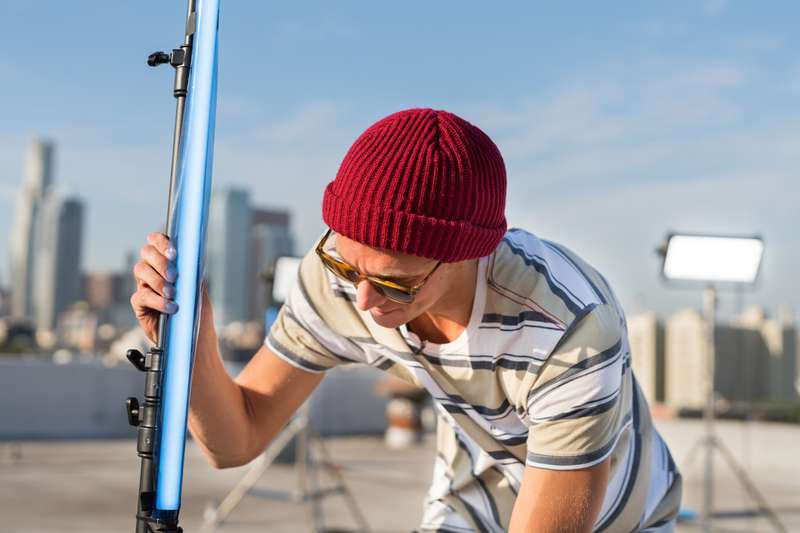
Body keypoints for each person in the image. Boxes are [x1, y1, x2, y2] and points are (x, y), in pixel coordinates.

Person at [131, 108, 682, 532]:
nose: (366, 301)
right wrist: (194, 342)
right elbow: (236, 441)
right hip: (471, 500)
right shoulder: (334, 280)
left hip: (621, 515)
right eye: (348, 263)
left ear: (469, 253)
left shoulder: (568, 329)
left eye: (397, 281)